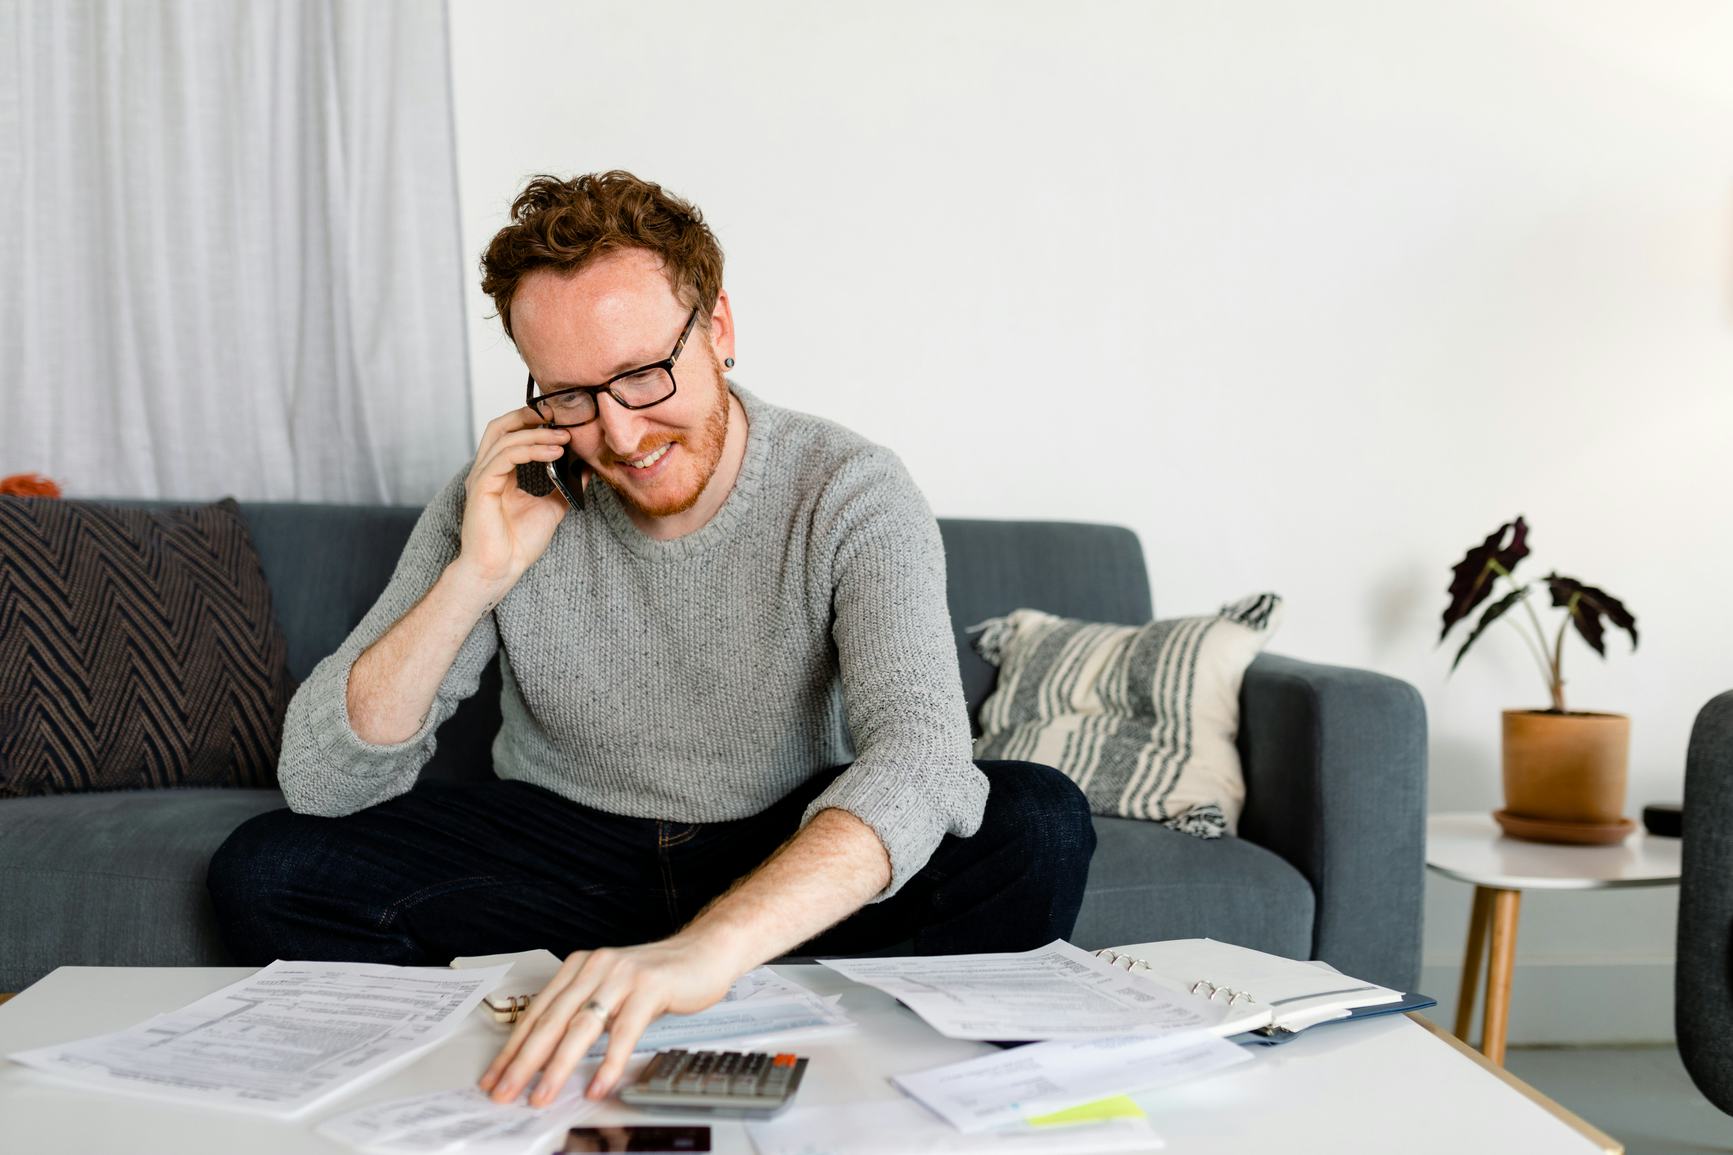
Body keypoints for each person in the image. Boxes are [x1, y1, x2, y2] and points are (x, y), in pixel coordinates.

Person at [207, 170, 1095, 1107]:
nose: (619, 434)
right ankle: (564, 1035)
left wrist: (707, 946)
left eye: (641, 375)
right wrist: (476, 576)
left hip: (781, 843)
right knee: (268, 869)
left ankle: (709, 988)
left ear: (718, 329)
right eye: (570, 396)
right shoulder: (507, 491)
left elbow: (920, 755)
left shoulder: (851, 488)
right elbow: (323, 781)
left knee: (1034, 821)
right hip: (569, 849)